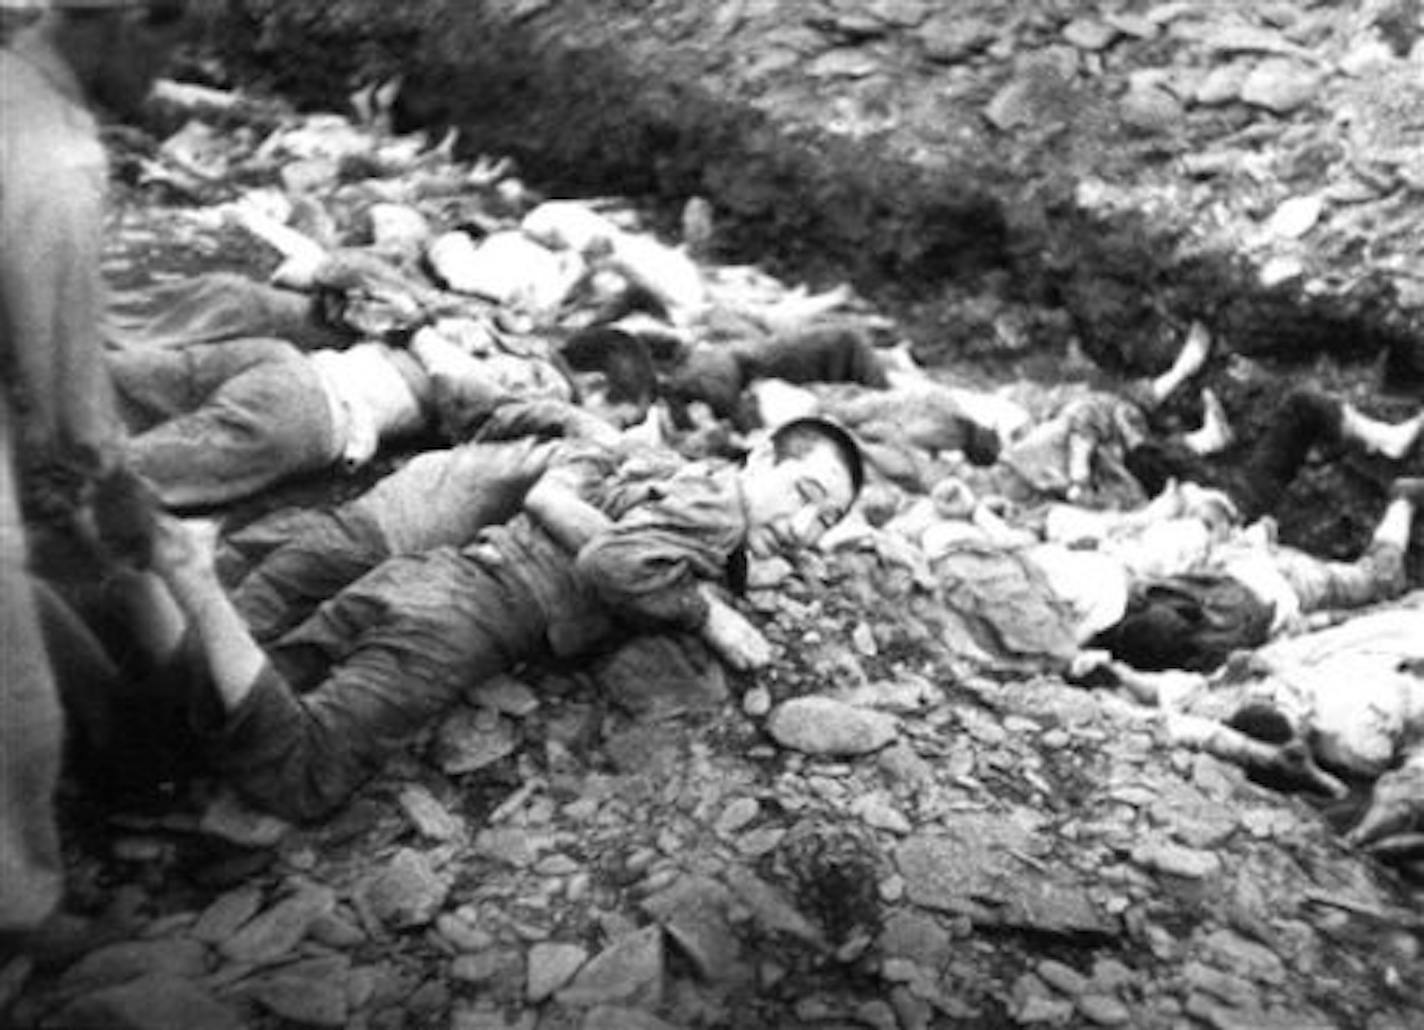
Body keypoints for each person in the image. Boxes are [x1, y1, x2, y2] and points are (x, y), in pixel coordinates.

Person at [133, 417, 863, 821]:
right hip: (459, 621)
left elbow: (568, 504)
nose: (803, 525)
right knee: (305, 774)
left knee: (223, 706)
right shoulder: (718, 508)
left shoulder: (669, 472)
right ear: (760, 453)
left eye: (823, 520)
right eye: (802, 492)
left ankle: (133, 579)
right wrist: (709, 617)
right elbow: (613, 568)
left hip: (428, 576)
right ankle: (188, 574)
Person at [1, 0, 185, 944]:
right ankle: (21, 909)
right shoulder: (57, 155)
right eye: (168, 36)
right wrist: (118, 499)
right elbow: (69, 384)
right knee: (13, 692)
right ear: (121, 24)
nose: (167, 67)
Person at [106, 314, 576, 507]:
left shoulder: (475, 390)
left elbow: (458, 388)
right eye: (532, 371)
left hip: (301, 392)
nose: (524, 380)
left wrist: (421, 335)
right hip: (301, 393)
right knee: (115, 394)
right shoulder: (469, 343)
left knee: (129, 450)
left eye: (537, 385)